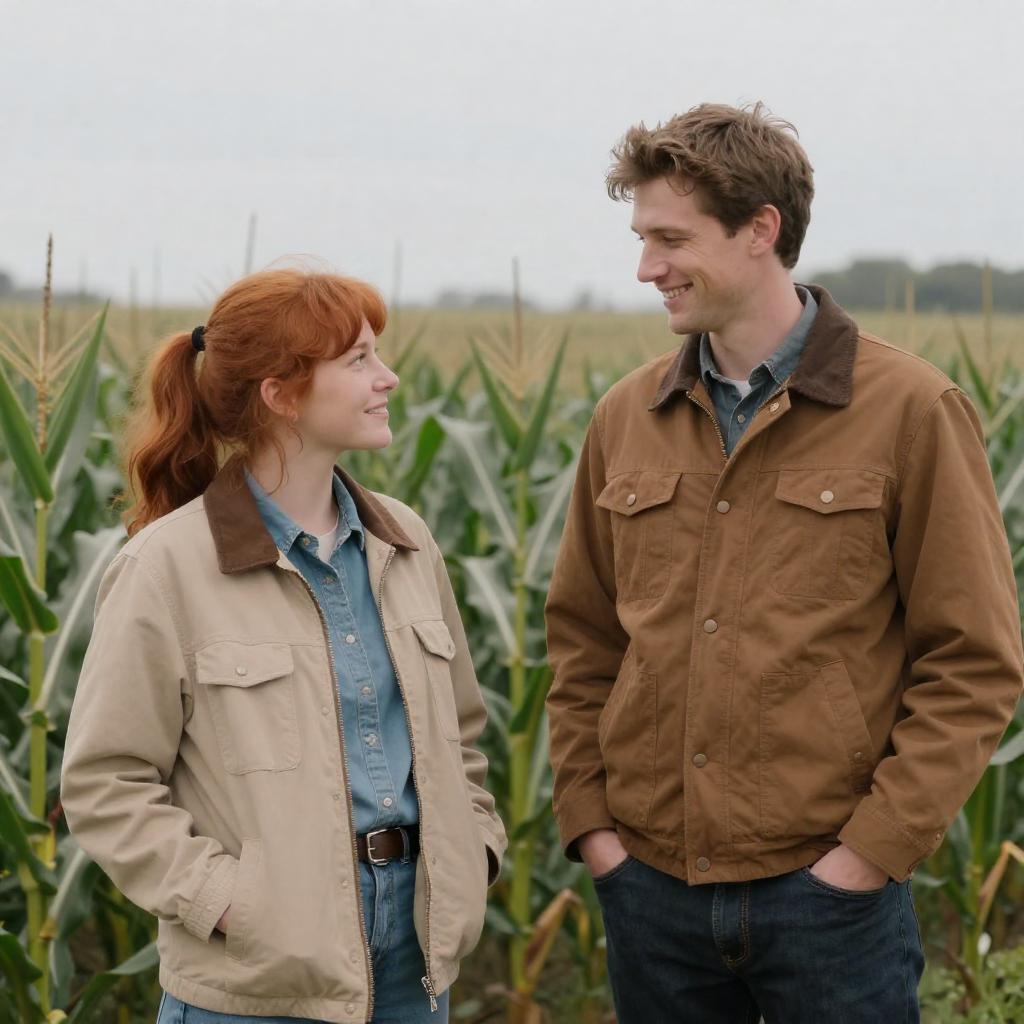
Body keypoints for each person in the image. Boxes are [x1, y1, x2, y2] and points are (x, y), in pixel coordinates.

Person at [544, 102, 1023, 1023]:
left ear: (761, 229)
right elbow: (583, 640)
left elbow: (973, 662)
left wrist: (868, 856)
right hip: (650, 893)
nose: (647, 268)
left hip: (829, 902)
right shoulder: (624, 419)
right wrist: (594, 830)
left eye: (671, 239)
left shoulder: (912, 410)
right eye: (643, 239)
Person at [61, 268, 506, 1024]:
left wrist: (474, 852)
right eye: (358, 360)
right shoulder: (165, 567)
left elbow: (459, 735)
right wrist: (233, 905)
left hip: (417, 964)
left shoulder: (406, 541)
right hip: (256, 979)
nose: (388, 377)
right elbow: (106, 783)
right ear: (281, 394)